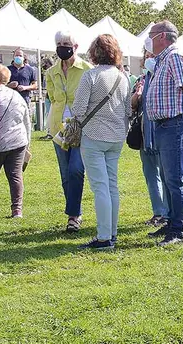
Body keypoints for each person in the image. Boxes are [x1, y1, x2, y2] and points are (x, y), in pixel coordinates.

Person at [144, 20, 183, 247]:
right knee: (169, 178)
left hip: (175, 124)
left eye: (151, 34)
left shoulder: (175, 57)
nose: (148, 38)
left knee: (175, 178)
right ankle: (170, 222)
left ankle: (178, 229)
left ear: (162, 36)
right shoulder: (162, 60)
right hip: (164, 126)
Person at [72, 34, 131, 250]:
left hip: (94, 136)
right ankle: (111, 233)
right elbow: (127, 110)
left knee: (100, 188)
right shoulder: (123, 77)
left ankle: (104, 237)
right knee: (111, 186)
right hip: (116, 137)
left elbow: (78, 109)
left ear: (94, 52)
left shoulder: (91, 76)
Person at [46, 31, 93, 233]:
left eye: (66, 43)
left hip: (81, 127)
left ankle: (74, 214)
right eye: (59, 43)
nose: (62, 46)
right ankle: (74, 214)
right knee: (65, 173)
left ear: (75, 46)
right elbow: (52, 97)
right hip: (59, 128)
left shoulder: (87, 70)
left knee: (76, 169)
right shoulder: (51, 72)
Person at [0, 64, 31, 219]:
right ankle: (17, 210)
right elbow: (27, 121)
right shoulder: (17, 96)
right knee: (15, 176)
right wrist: (27, 143)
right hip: (18, 141)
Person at [132, 44, 168, 227]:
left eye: (152, 54)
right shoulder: (141, 79)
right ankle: (158, 212)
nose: (149, 58)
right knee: (150, 174)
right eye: (146, 55)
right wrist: (137, 95)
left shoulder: (164, 78)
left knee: (165, 173)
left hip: (162, 133)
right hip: (145, 135)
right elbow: (132, 106)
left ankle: (169, 214)